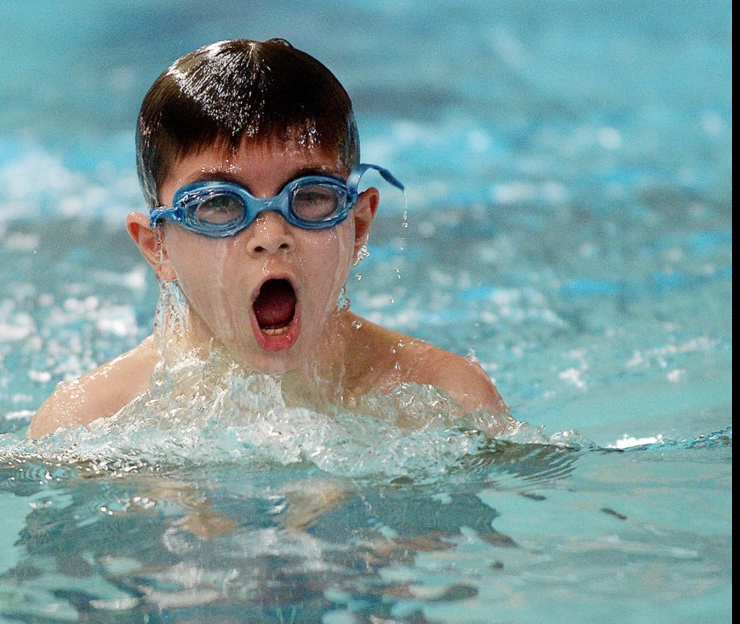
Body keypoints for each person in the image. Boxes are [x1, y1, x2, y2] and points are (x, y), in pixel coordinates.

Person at [28, 38, 507, 439]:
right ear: (158, 247)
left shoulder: (449, 401)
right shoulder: (87, 425)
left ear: (358, 226)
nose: (272, 236)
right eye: (219, 203)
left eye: (310, 196)